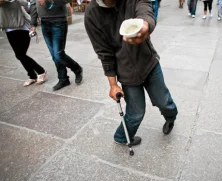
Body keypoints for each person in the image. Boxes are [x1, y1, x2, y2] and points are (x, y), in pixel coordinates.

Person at [84, 0, 178, 146]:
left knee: (164, 102)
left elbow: (145, 8)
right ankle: (122, 137)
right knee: (135, 113)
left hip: (149, 63)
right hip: (126, 73)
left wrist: (145, 25)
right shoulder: (92, 14)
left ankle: (171, 118)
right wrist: (113, 85)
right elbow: (104, 53)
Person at [30, 0, 83, 91]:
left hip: (58, 21)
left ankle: (77, 68)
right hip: (44, 22)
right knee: (54, 56)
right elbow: (33, 4)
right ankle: (63, 79)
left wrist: (49, 1)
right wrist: (33, 23)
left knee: (58, 54)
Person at [0, 0, 47, 87]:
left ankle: (41, 71)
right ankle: (32, 75)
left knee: (20, 55)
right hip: (9, 29)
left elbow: (28, 4)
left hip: (23, 28)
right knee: (20, 55)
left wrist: (33, 24)